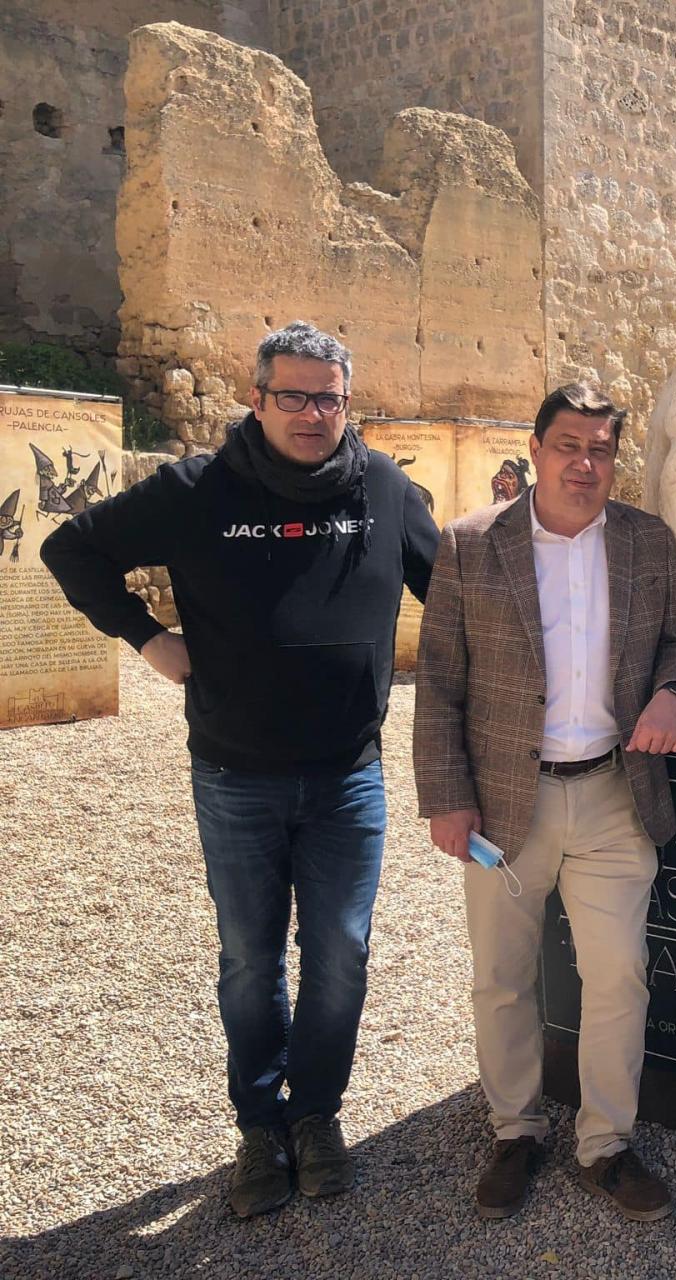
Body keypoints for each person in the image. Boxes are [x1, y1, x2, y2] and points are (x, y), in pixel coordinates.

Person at [42, 321, 439, 1217]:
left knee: (339, 954)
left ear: (348, 402)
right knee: (250, 958)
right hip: (237, 775)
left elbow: (456, 599)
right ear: (255, 399)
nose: (311, 413)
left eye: (327, 397)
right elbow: (71, 549)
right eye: (292, 395)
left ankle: (317, 1116)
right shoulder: (198, 490)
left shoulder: (384, 489)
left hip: (348, 777)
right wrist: (148, 640)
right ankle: (260, 1127)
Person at [414, 382, 676, 1222]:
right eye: (569, 445)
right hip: (506, 806)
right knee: (502, 977)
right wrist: (445, 797)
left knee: (617, 976)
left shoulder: (649, 543)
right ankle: (516, 1130)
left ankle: (606, 1144)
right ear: (534, 451)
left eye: (602, 449)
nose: (585, 462)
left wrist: (674, 694)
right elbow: (438, 683)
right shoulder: (470, 545)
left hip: (614, 793)